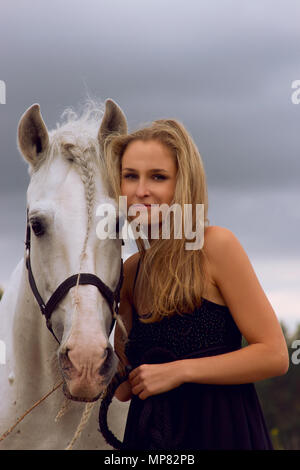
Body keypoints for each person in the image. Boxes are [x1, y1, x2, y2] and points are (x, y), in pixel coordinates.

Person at [104, 118, 289, 450]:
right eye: (130, 176)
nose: (140, 190)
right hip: (150, 440)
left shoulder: (215, 246)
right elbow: (121, 390)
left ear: (182, 184)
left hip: (223, 433)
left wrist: (179, 371)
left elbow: (274, 355)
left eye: (158, 177)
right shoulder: (130, 271)